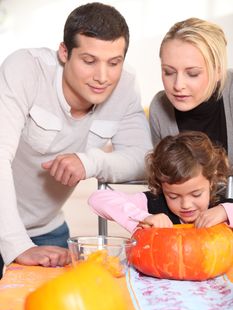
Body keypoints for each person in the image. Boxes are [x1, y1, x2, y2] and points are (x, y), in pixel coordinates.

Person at [0, 2, 152, 277]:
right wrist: (17, 244)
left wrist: (88, 162)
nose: (102, 77)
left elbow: (142, 158)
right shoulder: (25, 69)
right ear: (64, 52)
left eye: (114, 63)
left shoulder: (126, 85)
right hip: (10, 234)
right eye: (89, 61)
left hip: (49, 231)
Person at [88, 131, 233, 234]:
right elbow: (97, 199)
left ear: (211, 183)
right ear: (162, 186)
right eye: (173, 197)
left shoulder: (222, 209)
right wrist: (144, 217)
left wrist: (225, 212)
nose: (186, 205)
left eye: (196, 194)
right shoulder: (152, 204)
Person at [149, 17, 233, 164]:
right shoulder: (160, 107)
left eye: (192, 73)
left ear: (218, 71)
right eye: (169, 72)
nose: (178, 85)